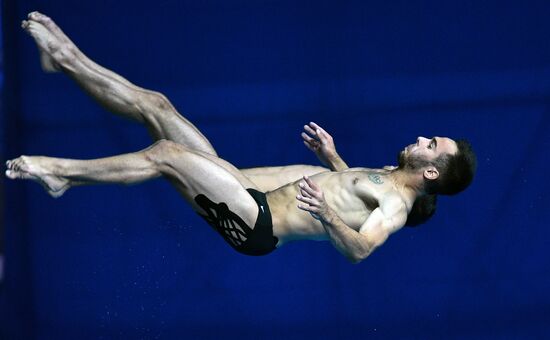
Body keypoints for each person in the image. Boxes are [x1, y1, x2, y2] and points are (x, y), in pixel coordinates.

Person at [6, 12, 475, 263]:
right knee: (158, 106)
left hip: (257, 224)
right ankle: (65, 57)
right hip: (241, 188)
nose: (421, 138)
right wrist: (333, 157)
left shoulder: (397, 207)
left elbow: (360, 250)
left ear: (431, 171)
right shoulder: (384, 178)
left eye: (431, 144)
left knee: (166, 154)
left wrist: (327, 213)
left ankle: (61, 174)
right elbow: (352, 188)